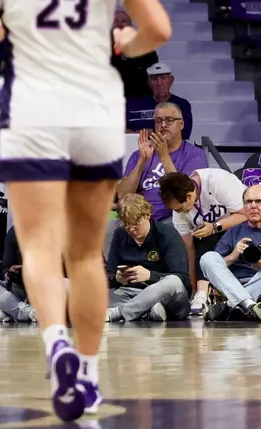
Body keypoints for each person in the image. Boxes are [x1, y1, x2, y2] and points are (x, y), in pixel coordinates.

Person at [0, 0, 171, 421]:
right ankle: (90, 372)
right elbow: (158, 28)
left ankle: (56, 345)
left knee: (37, 246)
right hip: (94, 112)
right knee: (85, 253)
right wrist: (122, 44)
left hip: (33, 110)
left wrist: (9, 24)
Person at [197, 183, 261, 321]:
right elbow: (214, 268)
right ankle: (249, 306)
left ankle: (230, 307)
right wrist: (233, 256)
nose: (253, 206)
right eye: (248, 202)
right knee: (208, 257)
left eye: (259, 201)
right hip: (233, 283)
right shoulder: (233, 232)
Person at [158, 167, 251, 316]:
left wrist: (215, 227)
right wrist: (192, 288)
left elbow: (245, 215)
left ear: (189, 196)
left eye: (180, 208)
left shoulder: (218, 182)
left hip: (243, 227)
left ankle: (208, 292)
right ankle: (201, 293)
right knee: (201, 237)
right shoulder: (179, 211)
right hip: (210, 238)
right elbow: (188, 249)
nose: (178, 212)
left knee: (208, 234)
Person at [104, 193, 190, 322]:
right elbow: (109, 275)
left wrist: (150, 276)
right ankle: (148, 312)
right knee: (94, 293)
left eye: (136, 224)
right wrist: (116, 278)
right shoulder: (119, 235)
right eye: (127, 225)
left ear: (147, 215)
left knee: (173, 281)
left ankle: (119, 312)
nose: (131, 230)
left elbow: (183, 280)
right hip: (130, 292)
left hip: (165, 295)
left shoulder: (168, 234)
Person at [116, 101, 207, 221]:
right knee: (111, 227)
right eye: (158, 121)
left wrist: (164, 156)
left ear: (181, 124)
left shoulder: (195, 155)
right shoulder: (139, 155)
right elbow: (123, 196)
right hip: (139, 218)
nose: (163, 125)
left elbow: (184, 195)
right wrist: (142, 162)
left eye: (169, 120)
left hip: (174, 217)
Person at [125, 62, 194, 138]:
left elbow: (184, 134)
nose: (159, 83)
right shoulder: (132, 104)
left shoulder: (182, 105)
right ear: (149, 82)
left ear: (171, 80)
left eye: (163, 78)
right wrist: (138, 135)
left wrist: (153, 133)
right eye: (154, 79)